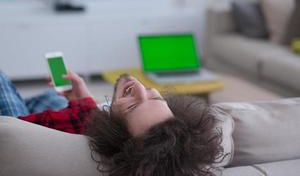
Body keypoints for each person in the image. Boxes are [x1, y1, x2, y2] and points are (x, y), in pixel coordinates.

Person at [0, 71, 226, 176]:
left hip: (18, 119)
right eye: (156, 98)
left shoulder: (76, 122)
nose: (139, 87)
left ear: (111, 130)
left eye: (131, 106)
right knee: (51, 98)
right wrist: (84, 99)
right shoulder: (94, 117)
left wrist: (82, 105)